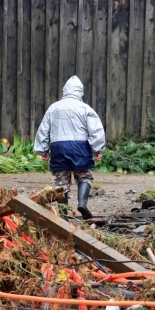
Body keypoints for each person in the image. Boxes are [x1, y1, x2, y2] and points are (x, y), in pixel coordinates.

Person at [34, 76, 105, 220]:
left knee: (60, 181)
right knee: (84, 175)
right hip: (81, 147)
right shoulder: (85, 108)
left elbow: (43, 129)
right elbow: (96, 130)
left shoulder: (54, 108)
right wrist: (98, 149)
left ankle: (64, 215)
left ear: (64, 91)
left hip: (58, 147)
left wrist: (43, 150)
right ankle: (82, 203)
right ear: (81, 92)